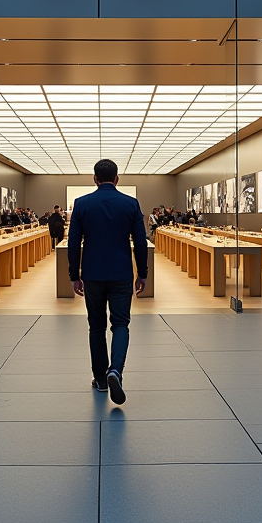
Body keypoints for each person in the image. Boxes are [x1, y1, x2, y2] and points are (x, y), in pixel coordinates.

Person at [68, 159, 148, 405]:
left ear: (94, 178)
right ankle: (116, 371)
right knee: (121, 324)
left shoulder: (81, 204)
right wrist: (142, 273)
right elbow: (141, 242)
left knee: (96, 326)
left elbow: (73, 243)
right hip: (121, 273)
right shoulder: (130, 204)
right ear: (117, 179)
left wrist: (74, 275)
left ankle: (101, 380)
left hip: (92, 274)